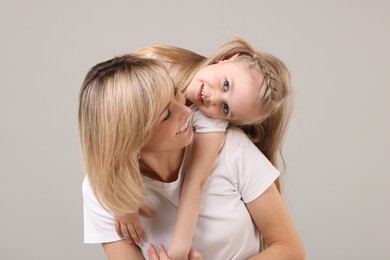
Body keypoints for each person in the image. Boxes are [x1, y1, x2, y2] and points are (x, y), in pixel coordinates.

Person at [79, 53, 305, 259]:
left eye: (175, 92)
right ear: (131, 140)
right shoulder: (99, 191)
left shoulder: (231, 150)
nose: (188, 111)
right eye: (167, 114)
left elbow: (290, 251)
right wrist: (117, 195)